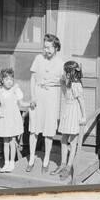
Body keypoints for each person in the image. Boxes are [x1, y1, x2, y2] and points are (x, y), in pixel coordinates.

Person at [27, 34, 64, 173]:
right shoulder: (38, 58)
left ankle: (46, 159)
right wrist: (32, 97)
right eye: (44, 47)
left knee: (48, 130)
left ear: (55, 48)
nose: (46, 50)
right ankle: (31, 159)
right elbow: (32, 78)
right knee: (34, 129)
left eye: (49, 48)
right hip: (38, 94)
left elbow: (64, 81)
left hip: (51, 96)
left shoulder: (60, 63)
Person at [51, 60, 86, 180]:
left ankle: (69, 166)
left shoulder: (77, 85)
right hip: (66, 111)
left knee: (73, 140)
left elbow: (81, 101)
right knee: (63, 138)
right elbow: (59, 81)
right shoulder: (66, 83)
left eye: (66, 71)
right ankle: (63, 163)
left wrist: (84, 116)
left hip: (74, 113)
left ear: (71, 72)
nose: (64, 73)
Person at [0, 68, 25, 173]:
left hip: (13, 118)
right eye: (7, 80)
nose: (9, 82)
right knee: (5, 142)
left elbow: (21, 103)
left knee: (12, 141)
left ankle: (12, 162)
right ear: (2, 80)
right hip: (4, 118)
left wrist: (30, 105)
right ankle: (6, 163)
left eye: (11, 79)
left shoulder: (15, 90)